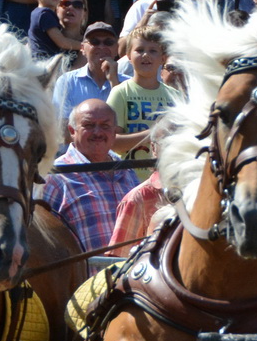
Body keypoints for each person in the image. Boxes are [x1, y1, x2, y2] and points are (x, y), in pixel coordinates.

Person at [42, 99, 136, 251]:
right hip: (84, 274)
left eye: (105, 126)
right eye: (89, 125)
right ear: (72, 131)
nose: (98, 132)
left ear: (114, 132)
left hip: (131, 272)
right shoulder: (55, 177)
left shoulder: (128, 172)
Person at [105, 27, 174, 163]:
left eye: (153, 51)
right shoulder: (120, 93)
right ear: (129, 56)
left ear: (163, 58)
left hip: (166, 177)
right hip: (129, 178)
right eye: (140, 50)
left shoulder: (175, 96)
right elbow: (111, 142)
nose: (146, 55)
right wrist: (153, 133)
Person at [52, 22, 120, 122]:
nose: (101, 47)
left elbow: (126, 123)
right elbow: (61, 126)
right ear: (83, 49)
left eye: (108, 42)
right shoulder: (67, 82)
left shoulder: (128, 83)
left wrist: (115, 82)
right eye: (94, 42)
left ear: (116, 49)